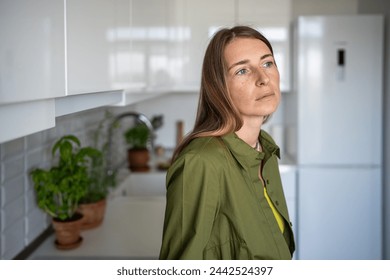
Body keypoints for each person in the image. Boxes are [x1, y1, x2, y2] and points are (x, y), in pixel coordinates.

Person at [159, 26, 295, 260]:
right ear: (218, 88)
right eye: (242, 71)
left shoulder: (266, 148)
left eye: (267, 63)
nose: (263, 79)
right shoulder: (201, 163)